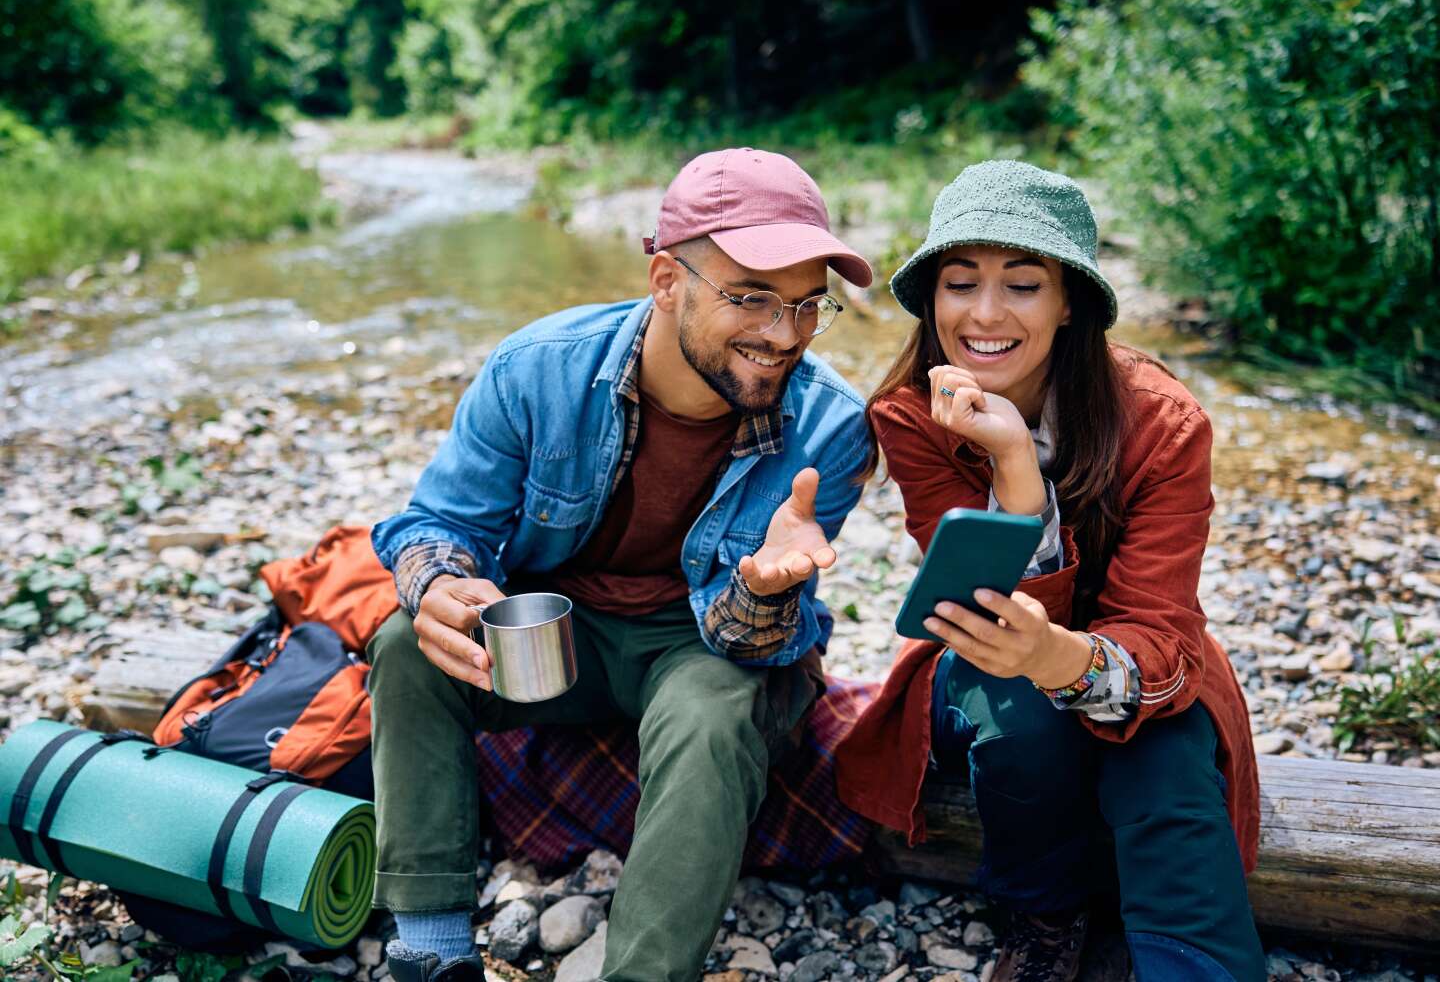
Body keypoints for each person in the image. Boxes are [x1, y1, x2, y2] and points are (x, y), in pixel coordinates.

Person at [367, 147, 875, 982]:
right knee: (402, 644)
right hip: (568, 634)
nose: (783, 334)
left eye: (806, 305)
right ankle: (430, 942)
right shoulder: (537, 370)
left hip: (704, 642)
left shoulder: (832, 426)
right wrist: (439, 582)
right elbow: (437, 523)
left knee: (715, 722)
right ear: (667, 280)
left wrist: (758, 591)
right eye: (750, 298)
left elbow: (749, 646)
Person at [834, 161, 1265, 981]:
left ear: (1070, 302)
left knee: (1167, 757)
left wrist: (1062, 659)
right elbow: (976, 608)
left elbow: (1159, 621)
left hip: (1146, 660)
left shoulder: (1166, 424)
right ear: (932, 298)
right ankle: (1043, 918)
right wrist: (1013, 467)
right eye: (960, 283)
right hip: (986, 660)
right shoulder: (909, 415)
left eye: (1023, 284)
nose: (985, 313)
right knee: (1014, 710)